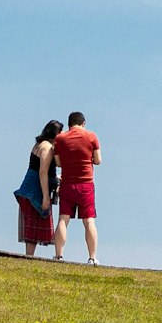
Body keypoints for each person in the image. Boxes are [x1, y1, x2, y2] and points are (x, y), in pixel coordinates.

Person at [53, 111, 102, 264]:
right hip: (86, 184)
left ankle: (59, 256)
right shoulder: (91, 136)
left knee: (63, 219)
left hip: (67, 184)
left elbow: (59, 163)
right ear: (83, 123)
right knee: (89, 222)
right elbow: (98, 160)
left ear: (69, 124)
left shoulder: (60, 139)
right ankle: (92, 257)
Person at [14, 120, 63, 256]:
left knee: (32, 227)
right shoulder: (47, 147)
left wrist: (55, 177)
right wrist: (46, 197)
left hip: (29, 187)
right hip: (35, 190)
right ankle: (29, 257)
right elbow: (42, 172)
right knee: (33, 227)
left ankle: (29, 256)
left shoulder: (38, 144)